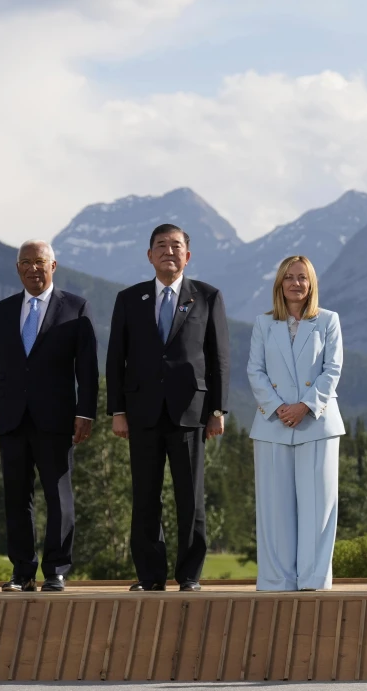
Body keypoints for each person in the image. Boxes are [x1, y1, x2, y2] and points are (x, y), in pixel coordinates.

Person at [107, 224, 230, 592]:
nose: (168, 251)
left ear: (187, 256)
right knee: (145, 495)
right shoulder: (129, 299)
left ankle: (189, 575)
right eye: (160, 246)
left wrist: (218, 410)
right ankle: (150, 575)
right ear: (149, 256)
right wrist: (117, 410)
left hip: (191, 411)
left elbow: (219, 357)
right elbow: (116, 359)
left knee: (190, 497)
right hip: (142, 410)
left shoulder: (207, 296)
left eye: (176, 246)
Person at [0, 240, 99, 592]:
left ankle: (57, 570)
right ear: (18, 269)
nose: (34, 268)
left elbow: (88, 371)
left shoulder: (76, 308)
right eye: (26, 262)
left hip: (58, 419)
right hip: (11, 418)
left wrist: (86, 413)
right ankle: (22, 572)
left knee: (58, 495)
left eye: (40, 262)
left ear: (54, 266)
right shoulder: (2, 311)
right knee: (16, 497)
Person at [247, 256, 346, 591]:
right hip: (272, 424)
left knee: (318, 507)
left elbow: (333, 370)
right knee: (274, 508)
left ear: (311, 283)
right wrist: (279, 408)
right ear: (279, 283)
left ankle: (313, 580)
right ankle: (276, 580)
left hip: (317, 423)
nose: (295, 283)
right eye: (288, 277)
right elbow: (254, 371)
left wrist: (304, 406)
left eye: (302, 278)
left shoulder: (329, 321)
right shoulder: (263, 324)